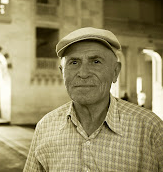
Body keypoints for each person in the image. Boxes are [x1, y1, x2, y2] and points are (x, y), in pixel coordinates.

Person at [23, 27, 163, 172]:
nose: (83, 73)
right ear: (62, 72)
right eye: (74, 63)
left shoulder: (150, 129)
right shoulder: (45, 127)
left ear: (115, 72)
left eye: (96, 62)